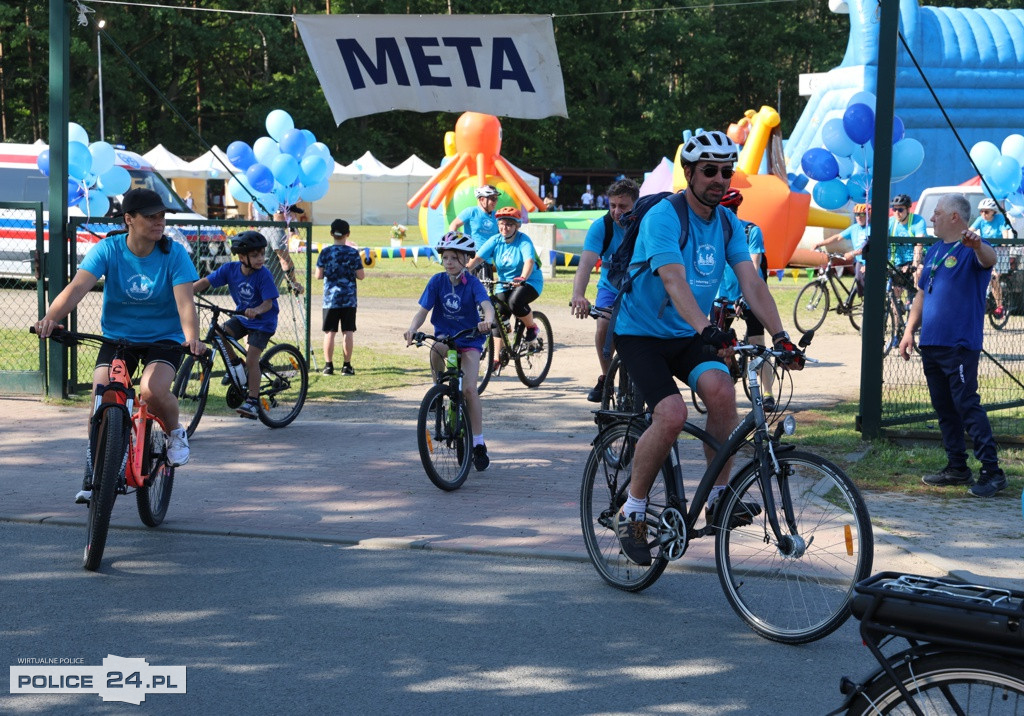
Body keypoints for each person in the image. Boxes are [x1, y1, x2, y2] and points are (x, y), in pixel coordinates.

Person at [610, 130, 801, 566]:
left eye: (726, 171)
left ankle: (718, 499)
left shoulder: (729, 223)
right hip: (641, 332)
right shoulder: (665, 216)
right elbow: (673, 279)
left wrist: (780, 335)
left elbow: (751, 281)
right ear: (690, 173)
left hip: (687, 334)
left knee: (721, 393)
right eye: (709, 171)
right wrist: (706, 328)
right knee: (672, 414)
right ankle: (633, 510)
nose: (719, 179)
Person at [33, 188, 204, 503]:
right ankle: (95, 469)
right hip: (118, 338)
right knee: (102, 393)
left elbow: (185, 304)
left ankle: (175, 433)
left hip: (163, 339)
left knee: (152, 390)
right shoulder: (108, 250)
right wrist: (50, 318)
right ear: (129, 219)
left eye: (161, 216)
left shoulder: (174, 254)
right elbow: (76, 288)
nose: (158, 222)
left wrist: (191, 336)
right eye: (150, 216)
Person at [898, 193, 1007, 498]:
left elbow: (990, 259)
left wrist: (978, 246)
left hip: (959, 344)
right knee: (945, 409)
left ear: (954, 217)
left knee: (966, 405)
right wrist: (909, 332)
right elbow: (921, 295)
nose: (931, 217)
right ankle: (957, 466)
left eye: (937, 213)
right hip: (932, 343)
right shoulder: (935, 250)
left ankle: (992, 472)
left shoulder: (972, 247)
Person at [404, 231, 496, 471]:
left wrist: (487, 320)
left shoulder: (473, 283)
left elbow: (487, 306)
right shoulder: (437, 281)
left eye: (454, 257)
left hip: (470, 340)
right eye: (445, 257)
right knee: (435, 347)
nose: (449, 262)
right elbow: (423, 311)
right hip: (446, 338)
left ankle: (478, 442)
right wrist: (412, 329)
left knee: (469, 389)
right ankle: (439, 388)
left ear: (466, 260)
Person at [192, 231, 279, 419]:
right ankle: (236, 366)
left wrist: (256, 310)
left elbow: (268, 303)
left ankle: (253, 401)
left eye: (262, 254)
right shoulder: (230, 269)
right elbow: (207, 281)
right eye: (255, 255)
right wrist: (186, 293)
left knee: (252, 360)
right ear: (241, 257)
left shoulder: (264, 275)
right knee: (219, 333)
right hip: (242, 317)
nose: (261, 259)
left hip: (263, 322)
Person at [569, 178, 640, 401]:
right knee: (603, 324)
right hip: (610, 287)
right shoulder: (601, 226)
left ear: (635, 205)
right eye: (612, 206)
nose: (616, 212)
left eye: (623, 206)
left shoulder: (645, 225)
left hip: (639, 287)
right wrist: (578, 295)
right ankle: (606, 378)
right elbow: (586, 264)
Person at [715, 188, 776, 406]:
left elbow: (753, 265)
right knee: (717, 345)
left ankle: (767, 394)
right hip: (721, 297)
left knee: (758, 345)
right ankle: (730, 372)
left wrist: (743, 296)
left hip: (749, 296)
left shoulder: (751, 231)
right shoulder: (711, 233)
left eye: (727, 211)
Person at [466, 206, 544, 372]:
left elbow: (529, 261)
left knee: (515, 302)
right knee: (496, 316)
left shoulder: (523, 240)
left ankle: (531, 327)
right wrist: (463, 272)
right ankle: (496, 358)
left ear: (516, 226)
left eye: (509, 224)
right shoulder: (495, 240)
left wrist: (522, 277)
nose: (504, 227)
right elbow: (478, 257)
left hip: (529, 281)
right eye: (501, 223)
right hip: (504, 283)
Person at [316, 219, 364, 376]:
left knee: (329, 332)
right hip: (349, 299)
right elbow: (361, 276)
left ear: (331, 233)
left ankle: (328, 366)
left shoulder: (325, 252)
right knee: (347, 331)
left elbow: (318, 275)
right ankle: (346, 366)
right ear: (347, 234)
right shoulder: (353, 252)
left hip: (330, 299)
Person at [814, 203, 871, 296]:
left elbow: (866, 247)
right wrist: (819, 244)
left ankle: (867, 305)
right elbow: (837, 237)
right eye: (856, 214)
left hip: (869, 261)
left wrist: (852, 254)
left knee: (862, 280)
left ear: (868, 215)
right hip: (859, 261)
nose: (859, 217)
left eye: (862, 214)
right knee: (858, 280)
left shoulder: (871, 229)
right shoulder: (854, 228)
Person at [970, 197, 1009, 317]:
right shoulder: (980, 220)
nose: (983, 214)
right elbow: (970, 230)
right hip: (985, 249)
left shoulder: (1000, 218)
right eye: (981, 211)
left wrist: (1004, 243)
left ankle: (999, 306)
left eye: (986, 212)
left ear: (993, 211)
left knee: (994, 277)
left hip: (999, 251)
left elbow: (1005, 235)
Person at [265, 205, 305, 295]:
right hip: (266, 287)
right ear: (284, 213)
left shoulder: (266, 227)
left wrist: (290, 280)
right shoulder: (277, 231)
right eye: (292, 214)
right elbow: (285, 261)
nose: (294, 217)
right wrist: (294, 283)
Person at [449, 185, 500, 250]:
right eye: (493, 199)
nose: (495, 202)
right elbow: (453, 225)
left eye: (496, 199)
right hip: (472, 255)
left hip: (489, 258)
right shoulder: (471, 212)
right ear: (482, 199)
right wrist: (456, 244)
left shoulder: (497, 215)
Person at [888, 194, 926, 269]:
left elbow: (919, 245)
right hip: (897, 262)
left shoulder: (918, 220)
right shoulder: (890, 222)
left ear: (908, 209)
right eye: (894, 210)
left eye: (900, 210)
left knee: (918, 271)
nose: (897, 213)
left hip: (915, 260)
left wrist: (914, 267)